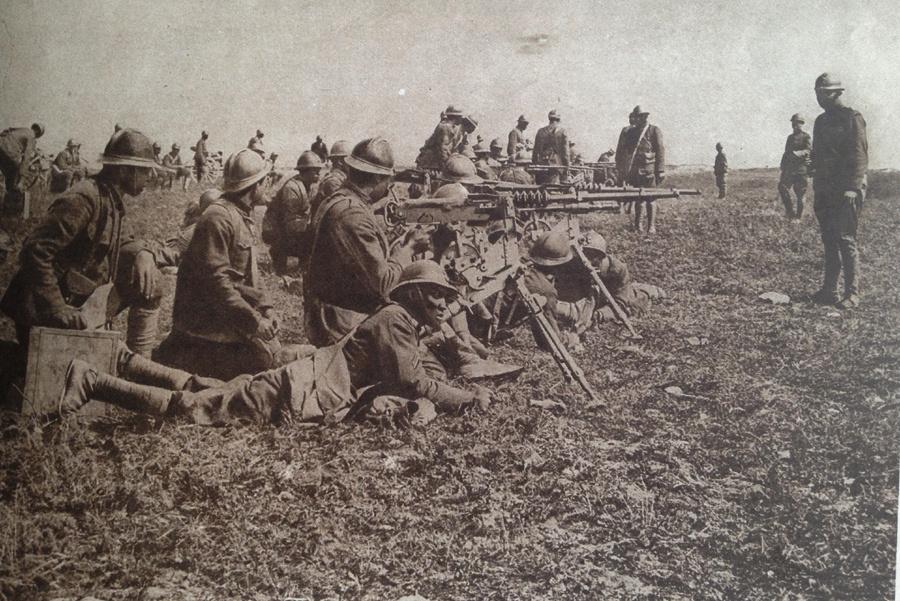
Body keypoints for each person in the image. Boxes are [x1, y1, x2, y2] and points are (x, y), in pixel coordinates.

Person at [60, 260, 494, 425]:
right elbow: (414, 382)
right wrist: (467, 399)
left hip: (301, 381)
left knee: (206, 387)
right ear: (415, 294)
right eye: (438, 294)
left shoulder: (399, 319)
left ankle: (128, 364)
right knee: (198, 410)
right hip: (300, 389)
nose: (444, 303)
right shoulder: (397, 321)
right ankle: (95, 382)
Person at [0, 128, 173, 359]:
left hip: (76, 300)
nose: (150, 177)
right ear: (123, 170)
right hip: (44, 308)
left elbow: (116, 240)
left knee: (153, 282)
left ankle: (138, 360)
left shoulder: (110, 198)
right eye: (144, 171)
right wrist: (56, 306)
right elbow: (36, 251)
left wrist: (143, 253)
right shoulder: (84, 197)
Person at [155, 149, 300, 380]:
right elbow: (216, 282)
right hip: (206, 330)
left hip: (227, 318)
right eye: (265, 181)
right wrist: (254, 323)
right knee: (269, 373)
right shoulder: (219, 217)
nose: (268, 187)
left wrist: (266, 308)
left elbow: (248, 276)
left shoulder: (239, 215)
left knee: (277, 359)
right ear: (255, 186)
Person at [305, 138, 428, 347]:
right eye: (388, 181)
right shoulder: (352, 213)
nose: (390, 187)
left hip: (336, 313)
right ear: (376, 179)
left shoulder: (343, 201)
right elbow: (382, 285)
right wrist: (409, 248)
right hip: (341, 323)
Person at [808, 73, 868, 310]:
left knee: (845, 239)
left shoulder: (852, 118)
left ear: (838, 93)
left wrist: (853, 188)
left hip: (846, 190)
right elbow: (819, 154)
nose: (820, 97)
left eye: (825, 92)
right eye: (818, 93)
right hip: (825, 188)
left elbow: (859, 155)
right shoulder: (821, 121)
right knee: (829, 239)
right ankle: (829, 291)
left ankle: (852, 294)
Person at [262, 150, 324, 275]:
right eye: (314, 170)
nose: (319, 173)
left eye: (319, 169)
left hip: (287, 229)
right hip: (275, 231)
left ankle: (303, 267)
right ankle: (282, 265)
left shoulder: (309, 186)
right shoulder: (292, 188)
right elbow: (291, 223)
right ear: (305, 171)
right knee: (312, 237)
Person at [616, 106, 665, 233]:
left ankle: (651, 226)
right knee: (639, 199)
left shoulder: (654, 130)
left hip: (650, 170)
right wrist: (622, 168)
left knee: (651, 198)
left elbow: (660, 151)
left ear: (644, 117)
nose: (636, 119)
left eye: (639, 117)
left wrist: (660, 170)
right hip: (635, 170)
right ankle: (638, 226)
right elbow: (622, 150)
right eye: (636, 116)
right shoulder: (631, 132)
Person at [0, 123, 44, 206]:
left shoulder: (20, 129)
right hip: (10, 153)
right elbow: (27, 158)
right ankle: (10, 209)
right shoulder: (31, 136)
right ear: (38, 133)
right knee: (14, 178)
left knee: (8, 175)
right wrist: (22, 179)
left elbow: (4, 133)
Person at [779, 114, 812, 219]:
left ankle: (798, 217)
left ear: (802, 124)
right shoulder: (790, 137)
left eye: (798, 122)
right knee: (782, 188)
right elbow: (786, 152)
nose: (795, 125)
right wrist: (783, 164)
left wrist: (798, 153)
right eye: (793, 122)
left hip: (800, 170)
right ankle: (790, 212)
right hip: (789, 169)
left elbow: (808, 150)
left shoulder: (806, 136)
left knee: (800, 193)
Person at [415, 105, 464, 172]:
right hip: (430, 164)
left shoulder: (448, 126)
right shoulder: (446, 127)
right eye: (460, 117)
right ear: (456, 117)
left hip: (432, 162)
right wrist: (446, 166)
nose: (461, 119)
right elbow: (443, 148)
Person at [310, 139, 351, 217]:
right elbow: (342, 211)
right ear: (340, 161)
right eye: (349, 160)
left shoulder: (340, 178)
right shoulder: (333, 181)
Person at [531, 109, 569, 184]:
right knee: (553, 190)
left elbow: (535, 151)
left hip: (541, 165)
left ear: (549, 119)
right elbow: (566, 153)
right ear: (559, 119)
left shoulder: (540, 131)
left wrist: (534, 166)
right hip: (555, 167)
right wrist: (567, 168)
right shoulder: (562, 131)